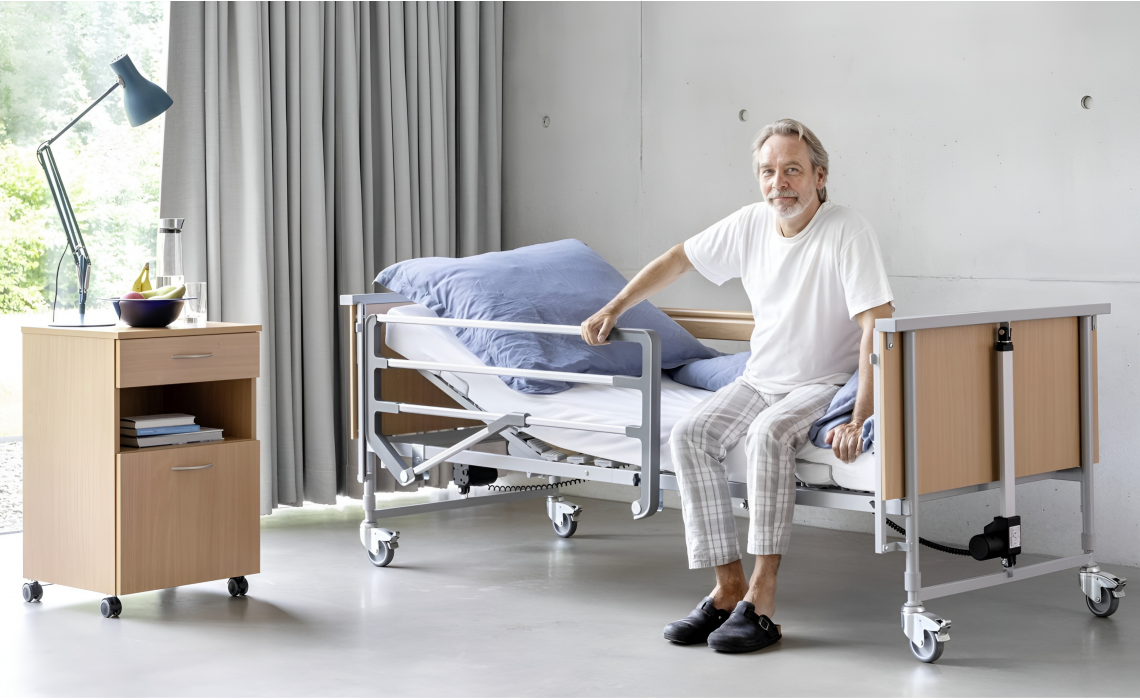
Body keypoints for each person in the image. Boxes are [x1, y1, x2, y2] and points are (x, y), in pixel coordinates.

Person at [580, 119, 894, 653]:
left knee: (768, 434)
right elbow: (678, 259)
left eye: (792, 170)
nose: (779, 183)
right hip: (760, 377)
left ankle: (762, 599)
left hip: (822, 382)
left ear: (819, 176)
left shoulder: (847, 230)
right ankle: (728, 589)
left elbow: (876, 324)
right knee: (690, 435)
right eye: (768, 172)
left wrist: (859, 415)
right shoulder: (751, 224)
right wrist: (615, 306)